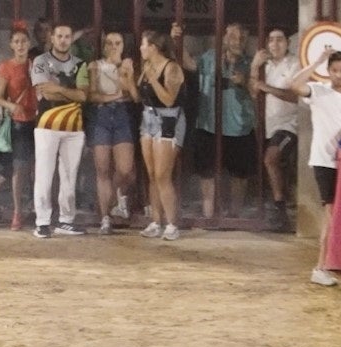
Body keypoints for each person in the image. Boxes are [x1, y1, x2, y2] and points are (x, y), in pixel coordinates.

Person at [291, 45, 341, 288]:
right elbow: (294, 84)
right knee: (334, 214)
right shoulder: (318, 91)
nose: (339, 74)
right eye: (334, 70)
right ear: (329, 72)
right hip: (325, 162)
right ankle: (325, 267)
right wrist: (316, 62)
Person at [190, 22, 255, 219]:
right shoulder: (210, 57)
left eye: (240, 37)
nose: (235, 40)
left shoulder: (250, 63)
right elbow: (189, 65)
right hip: (209, 124)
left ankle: (234, 215)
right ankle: (209, 215)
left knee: (239, 175)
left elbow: (257, 93)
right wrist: (176, 39)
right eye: (231, 36)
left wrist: (245, 81)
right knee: (207, 172)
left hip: (239, 127)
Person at [28, 21, 85, 237]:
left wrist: (59, 89)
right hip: (46, 124)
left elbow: (84, 95)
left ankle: (66, 220)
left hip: (74, 126)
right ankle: (42, 221)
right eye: (59, 36)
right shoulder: (40, 61)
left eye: (67, 36)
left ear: (71, 39)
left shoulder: (80, 64)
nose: (62, 40)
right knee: (44, 173)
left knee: (69, 175)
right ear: (52, 38)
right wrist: (71, 92)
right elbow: (45, 93)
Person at [84, 29, 135, 234]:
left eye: (118, 43)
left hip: (122, 115)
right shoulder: (95, 65)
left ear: (123, 46)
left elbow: (133, 95)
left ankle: (112, 198)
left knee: (124, 169)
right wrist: (116, 95)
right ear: (104, 46)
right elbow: (94, 96)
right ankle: (105, 217)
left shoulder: (128, 65)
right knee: (102, 170)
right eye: (110, 43)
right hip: (101, 116)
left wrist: (123, 73)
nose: (114, 47)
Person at [251, 27, 300, 230]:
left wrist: (266, 87)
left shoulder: (295, 64)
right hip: (268, 125)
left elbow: (296, 95)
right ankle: (282, 205)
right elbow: (253, 92)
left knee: (271, 159)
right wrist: (254, 67)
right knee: (275, 164)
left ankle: (279, 207)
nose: (275, 44)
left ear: (287, 42)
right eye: (271, 40)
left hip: (290, 124)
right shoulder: (266, 65)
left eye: (280, 39)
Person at [136, 28, 183, 239]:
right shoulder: (147, 66)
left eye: (144, 44)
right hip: (148, 119)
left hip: (168, 119)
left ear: (154, 47)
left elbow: (169, 100)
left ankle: (172, 223)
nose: (141, 48)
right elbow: (140, 97)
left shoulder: (171, 68)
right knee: (152, 174)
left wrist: (154, 79)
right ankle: (155, 221)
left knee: (164, 175)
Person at [0, 23, 37, 231]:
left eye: (24, 41)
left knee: (39, 168)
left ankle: (39, 208)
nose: (20, 45)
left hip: (38, 120)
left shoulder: (35, 64)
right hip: (19, 122)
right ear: (11, 44)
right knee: (19, 168)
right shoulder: (6, 67)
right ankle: (18, 211)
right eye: (16, 41)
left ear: (29, 43)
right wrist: (13, 105)